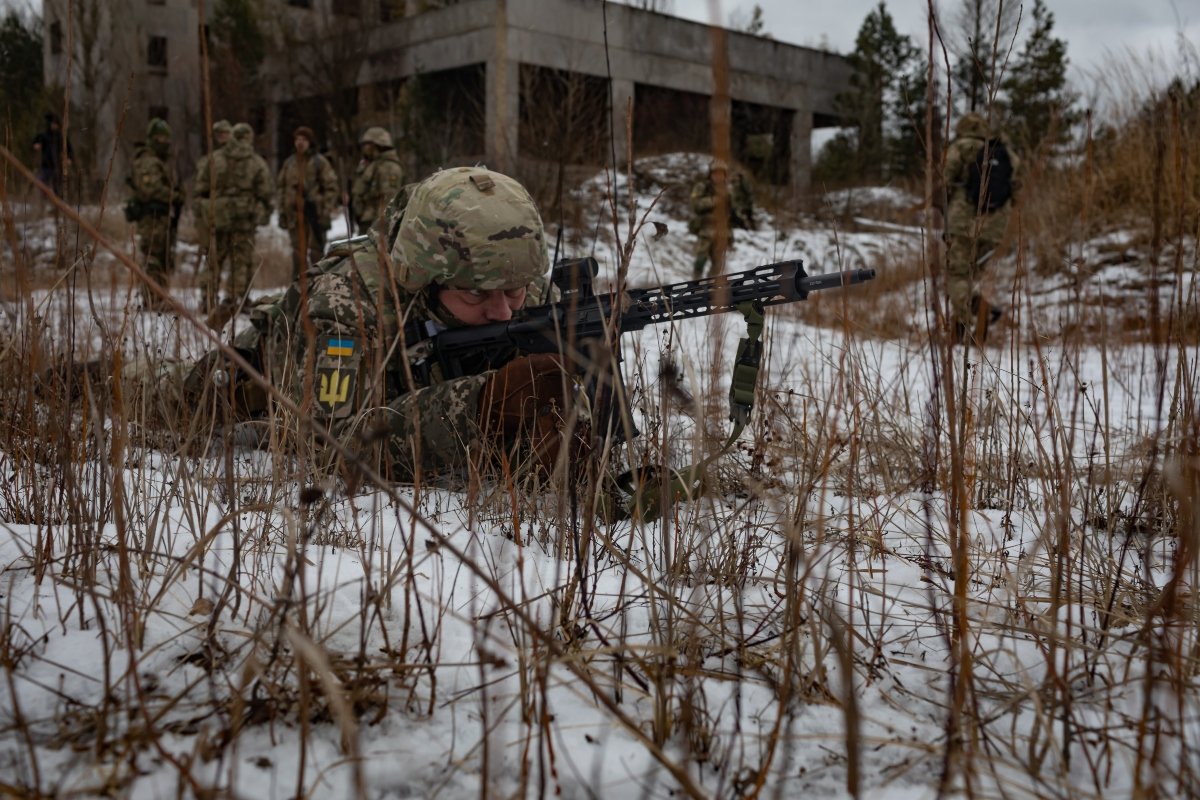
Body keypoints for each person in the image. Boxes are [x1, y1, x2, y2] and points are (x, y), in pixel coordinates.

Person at [943, 111, 1021, 344]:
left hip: (963, 222)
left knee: (957, 275)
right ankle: (965, 325)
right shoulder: (1006, 153)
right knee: (970, 277)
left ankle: (967, 323)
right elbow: (1018, 189)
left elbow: (944, 180)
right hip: (995, 227)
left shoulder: (961, 147)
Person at [195, 122, 274, 312]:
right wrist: (263, 213)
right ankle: (233, 299)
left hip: (218, 216)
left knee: (213, 259)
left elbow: (201, 189)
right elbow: (266, 192)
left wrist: (206, 212)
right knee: (240, 260)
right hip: (244, 218)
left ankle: (207, 298)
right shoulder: (256, 162)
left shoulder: (213, 159)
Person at [126, 118, 181, 309]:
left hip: (160, 218)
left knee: (162, 257)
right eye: (160, 139)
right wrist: (173, 196)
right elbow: (150, 190)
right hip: (151, 218)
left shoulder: (158, 161)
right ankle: (152, 298)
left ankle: (159, 296)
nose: (165, 143)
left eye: (166, 139)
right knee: (153, 258)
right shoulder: (147, 161)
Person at [277, 125, 340, 280]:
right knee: (298, 254)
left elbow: (331, 187)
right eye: (297, 139)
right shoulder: (289, 163)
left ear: (310, 142)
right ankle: (298, 288)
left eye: (304, 139)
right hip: (294, 216)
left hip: (315, 216)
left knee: (316, 253)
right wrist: (282, 211)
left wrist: (324, 209)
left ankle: (317, 285)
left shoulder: (319, 162)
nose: (300, 142)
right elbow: (281, 188)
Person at [688, 159, 756, 278]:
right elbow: (696, 205)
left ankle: (709, 287)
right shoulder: (702, 187)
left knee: (719, 264)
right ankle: (695, 285)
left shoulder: (728, 190)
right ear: (710, 174)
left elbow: (733, 210)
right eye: (715, 173)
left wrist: (742, 221)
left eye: (721, 174)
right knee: (700, 260)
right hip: (706, 230)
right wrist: (715, 201)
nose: (718, 177)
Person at [350, 126, 404, 235]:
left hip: (376, 224)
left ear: (377, 145)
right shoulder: (371, 165)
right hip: (366, 220)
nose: (364, 148)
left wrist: (379, 227)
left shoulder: (389, 167)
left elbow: (388, 199)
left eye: (367, 144)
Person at [192, 119, 233, 264]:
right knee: (213, 256)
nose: (222, 137)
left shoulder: (242, 157)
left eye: (225, 133)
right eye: (219, 134)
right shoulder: (211, 159)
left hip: (236, 212)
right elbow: (201, 186)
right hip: (215, 212)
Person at [32, 112, 72, 198]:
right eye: (52, 124)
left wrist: (68, 158)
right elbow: (35, 143)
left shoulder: (61, 137)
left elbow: (69, 149)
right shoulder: (44, 136)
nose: (54, 126)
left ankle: (57, 203)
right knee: (41, 183)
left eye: (55, 124)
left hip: (58, 165)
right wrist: (36, 145)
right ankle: (43, 200)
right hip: (46, 164)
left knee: (57, 186)